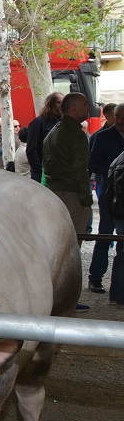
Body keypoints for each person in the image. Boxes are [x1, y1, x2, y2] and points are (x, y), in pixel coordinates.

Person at [43, 92, 93, 235]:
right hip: (72, 195)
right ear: (73, 108)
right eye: (85, 104)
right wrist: (85, 199)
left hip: (54, 191)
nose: (88, 108)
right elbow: (80, 170)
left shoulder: (55, 130)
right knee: (73, 243)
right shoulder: (76, 134)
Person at [87, 104, 124, 293]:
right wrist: (114, 172)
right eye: (117, 116)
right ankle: (95, 277)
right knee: (104, 235)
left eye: (122, 117)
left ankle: (118, 286)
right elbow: (93, 163)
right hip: (110, 193)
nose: (119, 120)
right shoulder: (102, 136)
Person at [25, 92, 64, 182]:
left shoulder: (63, 122)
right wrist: (39, 170)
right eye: (59, 102)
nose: (62, 105)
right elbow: (31, 149)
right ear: (51, 104)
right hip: (42, 172)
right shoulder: (38, 122)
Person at [105, 149, 124, 305]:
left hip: (119, 213)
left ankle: (116, 295)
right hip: (122, 213)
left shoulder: (119, 158)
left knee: (121, 255)